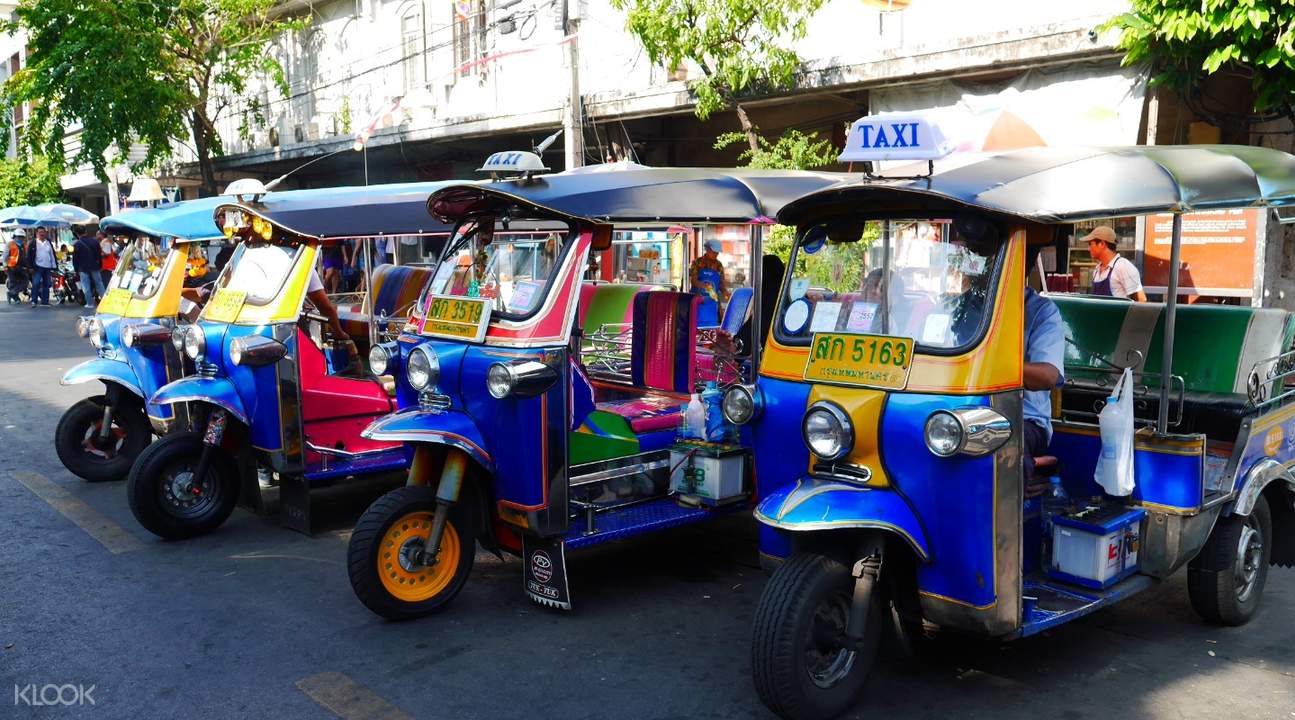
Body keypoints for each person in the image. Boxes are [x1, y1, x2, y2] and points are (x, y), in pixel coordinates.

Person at [1023, 284, 1065, 480]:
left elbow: (1048, 375)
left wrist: (991, 363)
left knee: (1004, 447)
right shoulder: (964, 304)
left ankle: (1011, 506)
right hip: (965, 408)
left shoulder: (1041, 311)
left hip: (1024, 419)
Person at [1084, 226, 1146, 301]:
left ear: (1102, 244)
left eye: (1090, 244)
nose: (1088, 249)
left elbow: (1141, 300)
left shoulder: (1123, 266)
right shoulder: (1097, 270)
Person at [690, 239, 727, 326]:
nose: (716, 254)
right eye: (714, 252)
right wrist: (703, 285)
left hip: (712, 304)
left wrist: (726, 293)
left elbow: (721, 283)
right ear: (708, 250)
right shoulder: (697, 263)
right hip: (698, 303)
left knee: (712, 328)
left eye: (717, 252)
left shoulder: (719, 265)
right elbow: (694, 281)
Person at [73, 227, 105, 308]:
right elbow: (99, 255)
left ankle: (90, 303)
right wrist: (100, 265)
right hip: (95, 266)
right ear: (86, 231)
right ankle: (105, 302)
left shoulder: (77, 244)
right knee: (99, 284)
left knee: (86, 286)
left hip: (83, 268)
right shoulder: (95, 241)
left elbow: (75, 259)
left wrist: (76, 269)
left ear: (77, 234)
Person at [25, 227, 56, 307]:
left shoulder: (48, 242)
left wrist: (54, 265)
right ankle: (34, 301)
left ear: (45, 233)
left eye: (43, 232)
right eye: (40, 232)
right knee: (36, 284)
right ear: (37, 233)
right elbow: (28, 256)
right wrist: (30, 267)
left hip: (47, 267)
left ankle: (45, 301)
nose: (42, 234)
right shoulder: (33, 242)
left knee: (47, 284)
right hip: (37, 267)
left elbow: (52, 254)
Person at [6, 229, 29, 304]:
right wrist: (5, 265)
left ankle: (11, 293)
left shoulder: (24, 245)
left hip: (21, 267)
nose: (20, 239)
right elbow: (5, 256)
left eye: (22, 237)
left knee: (25, 282)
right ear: (14, 237)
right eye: (18, 237)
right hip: (11, 267)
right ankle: (16, 298)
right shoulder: (10, 244)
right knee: (13, 283)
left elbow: (25, 256)